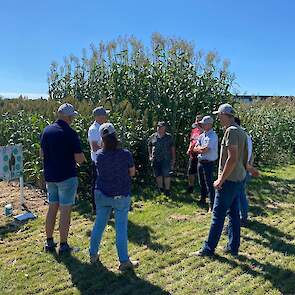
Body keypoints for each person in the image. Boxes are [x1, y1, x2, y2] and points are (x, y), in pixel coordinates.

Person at [195, 103, 248, 257]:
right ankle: (233, 247)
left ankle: (208, 249)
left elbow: (232, 158)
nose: (218, 118)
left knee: (218, 216)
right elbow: (244, 158)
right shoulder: (241, 132)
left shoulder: (231, 132)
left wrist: (220, 180)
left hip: (229, 181)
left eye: (219, 115)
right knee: (233, 215)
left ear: (225, 115)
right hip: (238, 179)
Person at [89, 123, 139, 271]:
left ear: (102, 138)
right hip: (121, 195)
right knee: (121, 229)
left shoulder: (99, 156)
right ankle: (124, 261)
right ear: (115, 136)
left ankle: (93, 255)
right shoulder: (125, 154)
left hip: (102, 193)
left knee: (99, 224)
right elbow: (132, 172)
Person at [41, 103, 86, 254]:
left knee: (52, 208)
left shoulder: (46, 131)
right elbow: (79, 159)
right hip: (66, 176)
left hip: (50, 176)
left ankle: (48, 242)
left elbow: (42, 154)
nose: (73, 118)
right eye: (72, 116)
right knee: (65, 211)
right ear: (68, 117)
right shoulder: (70, 133)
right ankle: (64, 245)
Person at [234, 117, 259, 226]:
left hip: (241, 170)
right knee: (239, 194)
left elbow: (245, 156)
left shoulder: (241, 136)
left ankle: (242, 218)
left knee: (240, 195)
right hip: (243, 169)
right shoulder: (245, 136)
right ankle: (241, 217)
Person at [193, 116, 218, 211]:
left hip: (209, 163)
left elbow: (205, 150)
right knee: (201, 183)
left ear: (210, 124)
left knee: (209, 184)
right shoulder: (202, 135)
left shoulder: (213, 136)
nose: (202, 125)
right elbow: (195, 148)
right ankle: (203, 200)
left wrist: (199, 149)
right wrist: (200, 149)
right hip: (201, 162)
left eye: (204, 124)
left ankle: (212, 205)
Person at [88, 107, 109, 213]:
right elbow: (95, 147)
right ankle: (96, 208)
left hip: (105, 161)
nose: (106, 117)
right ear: (98, 117)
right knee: (97, 185)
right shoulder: (94, 129)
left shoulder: (103, 127)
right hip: (98, 161)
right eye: (104, 115)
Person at [148, 122, 176, 196]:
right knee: (158, 174)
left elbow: (172, 148)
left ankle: (167, 190)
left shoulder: (169, 137)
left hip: (166, 159)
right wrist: (150, 155)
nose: (159, 128)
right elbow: (149, 146)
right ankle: (160, 189)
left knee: (166, 174)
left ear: (164, 128)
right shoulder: (153, 136)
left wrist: (173, 159)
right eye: (158, 127)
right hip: (155, 159)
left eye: (161, 127)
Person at [187, 115, 203, 193]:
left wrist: (199, 127)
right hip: (193, 154)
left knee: (201, 173)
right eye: (196, 120)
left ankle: (203, 191)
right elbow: (191, 140)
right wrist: (189, 148)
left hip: (201, 154)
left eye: (199, 120)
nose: (197, 122)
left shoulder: (204, 130)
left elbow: (204, 134)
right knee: (190, 171)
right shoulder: (194, 130)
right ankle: (191, 187)